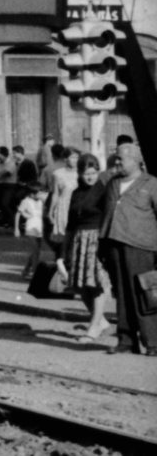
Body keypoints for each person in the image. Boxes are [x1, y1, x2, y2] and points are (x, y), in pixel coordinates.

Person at [98, 143, 157, 355]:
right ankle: (126, 340)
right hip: (113, 244)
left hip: (141, 246)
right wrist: (102, 243)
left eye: (120, 159)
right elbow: (104, 213)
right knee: (121, 293)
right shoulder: (112, 183)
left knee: (143, 294)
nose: (117, 163)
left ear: (135, 160)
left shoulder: (151, 184)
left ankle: (153, 342)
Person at [64, 153, 112, 342]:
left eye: (93, 173)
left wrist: (106, 242)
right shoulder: (76, 193)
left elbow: (110, 218)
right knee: (80, 285)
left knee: (97, 283)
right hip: (78, 240)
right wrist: (63, 250)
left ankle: (94, 326)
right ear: (80, 173)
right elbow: (71, 222)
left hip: (97, 240)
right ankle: (102, 322)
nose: (90, 177)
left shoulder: (104, 191)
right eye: (86, 173)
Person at [44, 143, 78, 254]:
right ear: (65, 159)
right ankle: (62, 259)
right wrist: (50, 211)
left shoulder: (82, 173)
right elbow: (55, 194)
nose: (75, 160)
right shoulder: (58, 174)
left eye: (77, 158)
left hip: (77, 207)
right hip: (63, 207)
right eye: (73, 157)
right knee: (64, 236)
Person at [16, 183, 47, 277]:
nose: (41, 195)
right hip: (31, 227)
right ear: (32, 194)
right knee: (35, 250)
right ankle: (35, 272)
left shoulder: (41, 201)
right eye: (39, 193)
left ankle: (26, 270)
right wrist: (16, 229)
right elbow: (18, 214)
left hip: (40, 227)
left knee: (36, 250)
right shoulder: (26, 201)